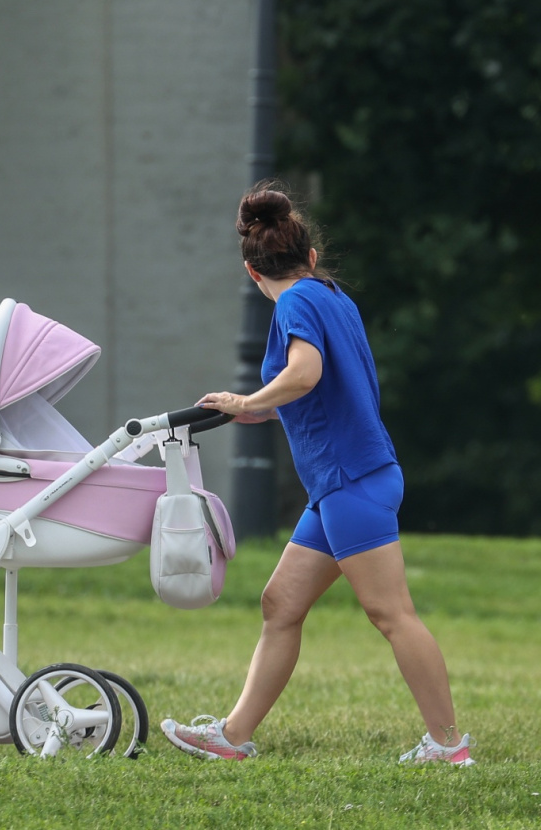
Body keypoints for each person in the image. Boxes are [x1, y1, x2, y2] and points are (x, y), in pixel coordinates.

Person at [160, 182, 474, 766]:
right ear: (309, 255)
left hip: (351, 479)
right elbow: (321, 389)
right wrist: (260, 411)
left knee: (391, 613)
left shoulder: (295, 303)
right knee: (280, 603)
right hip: (343, 483)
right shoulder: (333, 296)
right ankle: (232, 737)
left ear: (252, 272)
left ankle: (450, 746)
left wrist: (248, 400)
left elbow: (305, 373)